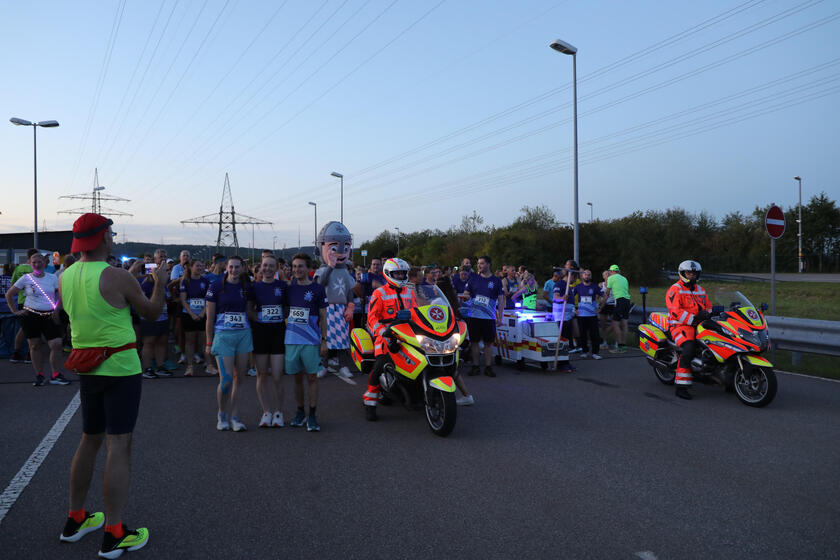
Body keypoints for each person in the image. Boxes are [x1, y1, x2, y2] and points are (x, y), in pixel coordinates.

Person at [59, 213, 164, 557]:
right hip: (120, 369)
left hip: (88, 368)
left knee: (90, 439)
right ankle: (115, 532)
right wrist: (160, 281)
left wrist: (127, 279)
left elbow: (97, 299)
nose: (114, 238)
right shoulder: (116, 276)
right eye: (112, 233)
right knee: (119, 446)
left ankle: (76, 519)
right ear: (103, 237)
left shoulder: (66, 275)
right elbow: (150, 312)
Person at [363, 257, 418, 421]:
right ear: (388, 274)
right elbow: (371, 318)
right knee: (381, 364)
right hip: (385, 336)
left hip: (407, 334)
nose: (401, 276)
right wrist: (382, 332)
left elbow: (416, 313)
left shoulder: (409, 292)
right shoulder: (379, 293)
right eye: (397, 273)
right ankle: (370, 400)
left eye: (403, 273)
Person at [5, 251, 71, 386]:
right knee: (35, 346)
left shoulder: (52, 278)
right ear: (30, 263)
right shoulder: (25, 278)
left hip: (49, 315)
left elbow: (59, 296)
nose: (37, 264)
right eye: (34, 262)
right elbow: (9, 294)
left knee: (56, 344)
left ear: (44, 264)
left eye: (39, 262)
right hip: (30, 315)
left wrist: (57, 309)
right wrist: (15, 311)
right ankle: (40, 375)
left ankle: (56, 374)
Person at [205, 255, 253, 432]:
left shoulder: (246, 287)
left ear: (242, 269)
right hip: (223, 335)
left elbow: (249, 311)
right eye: (231, 267)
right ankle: (221, 413)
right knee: (225, 380)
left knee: (239, 378)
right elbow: (209, 318)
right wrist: (209, 342)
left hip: (243, 335)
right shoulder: (216, 286)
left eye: (237, 267)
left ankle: (235, 415)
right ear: (226, 268)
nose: (234, 270)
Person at [284, 253, 328, 431]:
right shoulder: (289, 288)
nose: (297, 270)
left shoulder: (318, 289)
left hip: (311, 340)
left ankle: (312, 415)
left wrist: (324, 340)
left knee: (312, 378)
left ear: (309, 269)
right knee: (296, 378)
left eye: (300, 266)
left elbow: (324, 316)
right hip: (292, 340)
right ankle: (300, 412)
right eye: (294, 266)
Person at [247, 254, 287, 428]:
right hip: (260, 332)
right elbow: (248, 309)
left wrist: (279, 317)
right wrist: (259, 319)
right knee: (262, 375)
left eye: (272, 266)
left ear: (276, 268)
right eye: (265, 265)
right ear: (260, 267)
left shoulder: (283, 286)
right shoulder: (254, 287)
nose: (268, 269)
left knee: (277, 376)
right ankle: (266, 411)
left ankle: (278, 411)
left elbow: (287, 307)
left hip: (278, 332)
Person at [312, 221, 356, 380]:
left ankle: (343, 366)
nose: (340, 252)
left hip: (342, 310)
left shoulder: (344, 272)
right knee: (325, 339)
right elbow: (320, 284)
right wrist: (330, 266)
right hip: (326, 310)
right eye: (333, 248)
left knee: (343, 340)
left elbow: (349, 290)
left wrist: (350, 307)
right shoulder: (322, 270)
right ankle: (322, 365)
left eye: (345, 248)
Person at [666, 260, 712, 400]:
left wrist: (710, 313)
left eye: (694, 273)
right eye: (689, 273)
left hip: (699, 324)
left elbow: (708, 306)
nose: (691, 275)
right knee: (689, 348)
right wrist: (694, 319)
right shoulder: (675, 289)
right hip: (679, 325)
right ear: (683, 273)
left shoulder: (700, 289)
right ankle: (681, 386)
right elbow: (675, 311)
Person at [463, 256, 504, 377]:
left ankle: (488, 367)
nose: (479, 266)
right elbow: (466, 293)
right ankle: (475, 366)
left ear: (488, 264)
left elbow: (501, 300)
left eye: (481, 263)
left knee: (488, 343)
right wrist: (465, 297)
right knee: (474, 342)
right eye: (478, 263)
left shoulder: (496, 281)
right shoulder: (473, 278)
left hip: (488, 317)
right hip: (474, 316)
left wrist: (500, 318)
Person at [138, 256, 172, 380]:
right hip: (149, 317)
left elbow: (168, 296)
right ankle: (147, 368)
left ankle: (160, 366)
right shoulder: (145, 284)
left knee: (162, 342)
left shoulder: (165, 283)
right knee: (149, 342)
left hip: (163, 316)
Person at [178, 259, 210, 376]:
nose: (200, 268)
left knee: (204, 341)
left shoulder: (205, 281)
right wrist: (192, 314)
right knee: (190, 341)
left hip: (202, 315)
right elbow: (183, 299)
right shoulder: (185, 281)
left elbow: (208, 299)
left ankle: (208, 364)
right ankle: (190, 366)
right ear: (191, 267)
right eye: (197, 266)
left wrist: (202, 313)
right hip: (189, 315)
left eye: (201, 266)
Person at [9, 248, 39, 364]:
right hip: (33, 302)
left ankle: (16, 353)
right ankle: (29, 354)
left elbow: (13, 286)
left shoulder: (19, 268)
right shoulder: (35, 268)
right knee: (31, 329)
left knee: (24, 328)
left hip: (21, 301)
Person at [573, 269, 603, 359]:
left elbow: (604, 295)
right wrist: (574, 309)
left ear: (591, 276)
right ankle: (584, 351)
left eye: (589, 275)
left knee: (594, 334)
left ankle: (595, 353)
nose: (587, 276)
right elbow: (570, 297)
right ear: (582, 276)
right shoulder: (578, 287)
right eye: (585, 274)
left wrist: (600, 307)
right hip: (581, 315)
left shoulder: (595, 287)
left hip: (592, 315)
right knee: (583, 334)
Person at [604, 264, 631, 353]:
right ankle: (623, 346)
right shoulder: (624, 278)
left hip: (619, 301)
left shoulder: (611, 278)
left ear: (611, 271)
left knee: (615, 324)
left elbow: (607, 293)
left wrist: (601, 305)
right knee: (624, 324)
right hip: (627, 301)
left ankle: (620, 346)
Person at [598, 270, 616, 351]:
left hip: (612, 305)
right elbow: (596, 295)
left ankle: (616, 342)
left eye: (609, 274)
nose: (608, 275)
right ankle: (604, 342)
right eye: (606, 274)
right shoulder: (601, 285)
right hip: (603, 305)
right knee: (603, 325)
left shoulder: (614, 284)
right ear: (603, 276)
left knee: (615, 324)